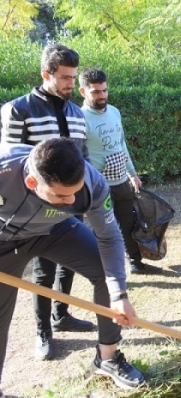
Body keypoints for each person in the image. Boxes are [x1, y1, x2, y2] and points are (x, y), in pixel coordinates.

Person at [0, 138, 145, 394]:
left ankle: (108, 358)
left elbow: (109, 238)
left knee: (105, 271)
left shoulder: (93, 183)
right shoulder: (4, 169)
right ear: (32, 183)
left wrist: (119, 294)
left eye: (75, 192)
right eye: (61, 195)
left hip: (55, 230)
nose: (71, 202)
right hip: (4, 242)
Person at [0, 44, 93, 361]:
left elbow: (84, 160)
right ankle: (44, 332)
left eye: (73, 77)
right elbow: (10, 162)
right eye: (65, 77)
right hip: (34, 210)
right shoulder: (18, 110)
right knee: (43, 272)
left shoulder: (78, 113)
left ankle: (61, 315)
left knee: (69, 265)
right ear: (46, 74)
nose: (71, 84)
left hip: (71, 203)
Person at [78, 68, 162, 275]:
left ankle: (136, 264)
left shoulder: (114, 112)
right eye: (96, 92)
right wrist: (84, 191)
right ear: (83, 92)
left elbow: (121, 145)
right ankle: (105, 273)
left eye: (105, 90)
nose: (102, 96)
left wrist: (132, 173)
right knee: (104, 231)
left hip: (120, 181)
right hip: (98, 186)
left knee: (128, 224)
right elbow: (78, 157)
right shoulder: (79, 118)